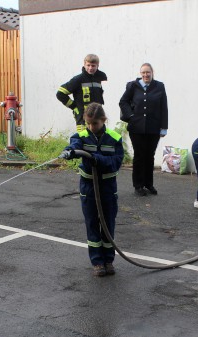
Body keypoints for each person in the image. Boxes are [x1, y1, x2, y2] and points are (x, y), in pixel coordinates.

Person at [61, 103, 124, 277]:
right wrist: (69, 151)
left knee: (108, 223)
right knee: (92, 223)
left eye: (94, 124)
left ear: (103, 120)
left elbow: (116, 162)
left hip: (107, 186)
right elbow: (74, 144)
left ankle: (108, 260)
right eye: (88, 123)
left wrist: (96, 159)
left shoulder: (114, 138)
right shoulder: (81, 136)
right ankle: (97, 262)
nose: (91, 127)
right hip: (88, 186)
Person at [119, 62, 168, 197]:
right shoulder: (132, 86)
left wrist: (164, 127)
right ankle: (138, 185)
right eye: (143, 73)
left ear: (152, 73)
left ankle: (148, 184)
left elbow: (164, 107)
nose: (146, 75)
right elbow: (123, 102)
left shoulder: (159, 86)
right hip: (136, 127)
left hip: (154, 127)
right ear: (140, 74)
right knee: (139, 156)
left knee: (149, 156)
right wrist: (130, 116)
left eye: (148, 72)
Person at [56, 54, 107, 132]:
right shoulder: (78, 79)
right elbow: (60, 93)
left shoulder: (99, 78)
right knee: (83, 139)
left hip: (97, 117)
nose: (90, 68)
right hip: (83, 117)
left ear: (97, 65)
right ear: (84, 64)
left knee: (99, 138)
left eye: (93, 66)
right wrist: (73, 106)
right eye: (88, 65)